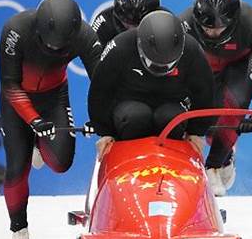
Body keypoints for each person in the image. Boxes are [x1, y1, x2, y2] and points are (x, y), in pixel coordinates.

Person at [0, 0, 102, 239]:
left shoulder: (85, 36)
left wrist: (101, 119)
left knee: (61, 162)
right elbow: (9, 84)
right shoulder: (15, 30)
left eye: (61, 47)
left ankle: (39, 145)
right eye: (50, 45)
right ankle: (18, 228)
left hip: (54, 96)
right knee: (16, 169)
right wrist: (33, 120)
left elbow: (103, 82)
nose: (55, 51)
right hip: (18, 101)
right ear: (39, 30)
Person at [180, 0, 252, 196]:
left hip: (239, 65)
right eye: (208, 28)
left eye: (220, 28)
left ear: (235, 20)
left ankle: (215, 165)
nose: (214, 33)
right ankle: (190, 163)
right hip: (202, 67)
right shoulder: (183, 25)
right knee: (187, 105)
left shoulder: (251, 23)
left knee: (236, 100)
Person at [88, 10, 215, 158]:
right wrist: (105, 133)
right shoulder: (120, 47)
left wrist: (196, 132)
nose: (161, 69)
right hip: (130, 103)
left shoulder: (192, 50)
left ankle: (173, 159)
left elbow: (205, 91)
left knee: (171, 119)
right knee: (135, 117)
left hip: (172, 103)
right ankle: (129, 157)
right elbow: (100, 90)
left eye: (167, 65)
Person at [91, 0, 162, 47]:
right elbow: (93, 58)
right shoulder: (103, 23)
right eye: (128, 24)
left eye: (138, 25)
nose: (132, 30)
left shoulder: (164, 22)